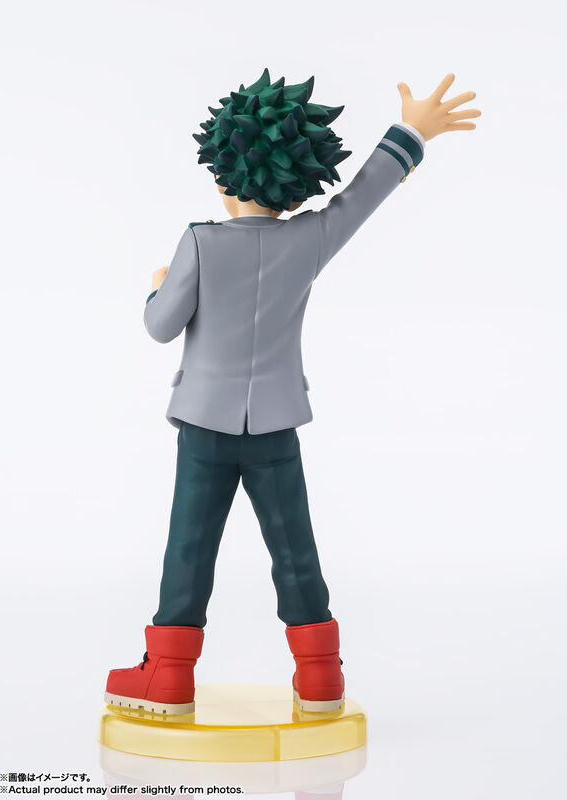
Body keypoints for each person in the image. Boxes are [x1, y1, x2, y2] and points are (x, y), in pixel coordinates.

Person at [105, 69, 480, 715]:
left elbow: (160, 326)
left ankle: (166, 673)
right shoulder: (310, 238)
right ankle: (320, 673)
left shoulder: (200, 241)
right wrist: (412, 131)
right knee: (294, 548)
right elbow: (364, 194)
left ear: (222, 174)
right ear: (303, 177)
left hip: (203, 424)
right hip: (276, 424)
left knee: (189, 546)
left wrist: (160, 284)